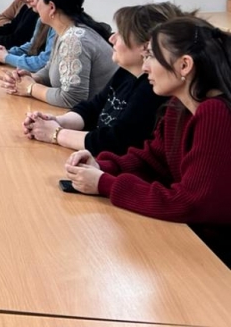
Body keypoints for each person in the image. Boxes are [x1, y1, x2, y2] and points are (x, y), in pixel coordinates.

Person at [63, 17, 231, 266]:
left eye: (151, 56)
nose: (145, 67)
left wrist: (105, 184)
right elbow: (152, 160)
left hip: (215, 259)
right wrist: (102, 166)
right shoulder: (178, 107)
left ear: (184, 65)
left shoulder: (216, 113)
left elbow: (191, 203)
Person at [22, 2, 187, 154]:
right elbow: (92, 108)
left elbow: (117, 141)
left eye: (121, 34)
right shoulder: (126, 73)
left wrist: (56, 134)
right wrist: (56, 121)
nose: (111, 38)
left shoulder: (152, 89)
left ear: (144, 47)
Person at [0, 0, 114, 108]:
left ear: (52, 7)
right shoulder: (66, 31)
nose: (30, 0)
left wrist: (30, 88)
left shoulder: (74, 39)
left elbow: (72, 99)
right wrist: (30, 78)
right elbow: (51, 69)